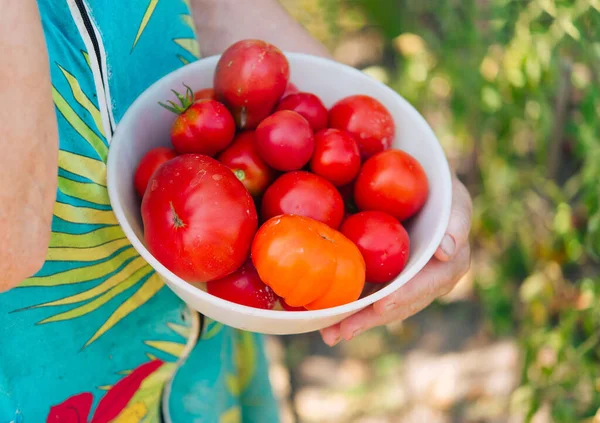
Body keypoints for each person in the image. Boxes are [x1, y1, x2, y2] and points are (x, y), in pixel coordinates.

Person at [0, 0, 472, 421]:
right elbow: (12, 243)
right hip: (59, 358)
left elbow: (212, 7)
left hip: (213, 317)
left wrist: (423, 185)